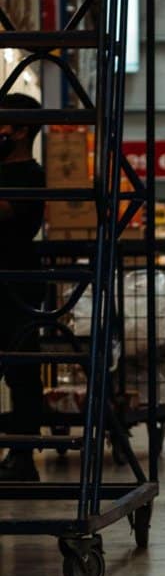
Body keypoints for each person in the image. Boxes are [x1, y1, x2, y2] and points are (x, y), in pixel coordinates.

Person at [0, 93, 46, 482]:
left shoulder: (33, 175)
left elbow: (8, 213)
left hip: (18, 284)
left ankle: (22, 455)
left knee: (22, 371)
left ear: (20, 131)